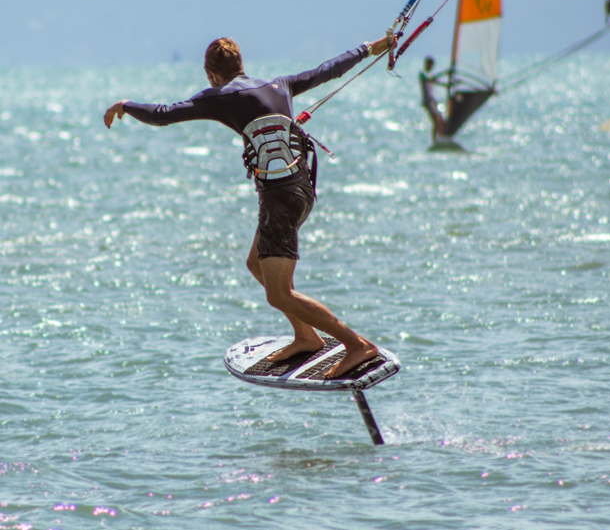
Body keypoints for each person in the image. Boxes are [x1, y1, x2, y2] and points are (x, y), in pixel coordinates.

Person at [104, 35, 396, 379]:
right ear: (241, 65)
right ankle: (306, 337)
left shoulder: (218, 97)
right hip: (302, 190)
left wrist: (124, 103)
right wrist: (370, 48)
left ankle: (355, 345)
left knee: (279, 293)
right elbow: (327, 70)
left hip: (280, 199)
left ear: (211, 74)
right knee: (255, 263)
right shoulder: (280, 84)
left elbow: (163, 115)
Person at [419, 56, 445, 140]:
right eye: (430, 65)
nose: (431, 68)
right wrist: (444, 73)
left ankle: (442, 138)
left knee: (441, 120)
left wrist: (451, 84)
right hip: (428, 101)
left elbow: (438, 82)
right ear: (426, 64)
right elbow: (431, 79)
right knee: (436, 121)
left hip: (432, 101)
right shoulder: (422, 74)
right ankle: (435, 141)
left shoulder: (429, 75)